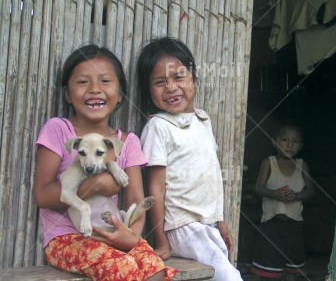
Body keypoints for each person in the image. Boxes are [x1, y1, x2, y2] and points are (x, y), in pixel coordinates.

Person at [34, 44, 178, 281]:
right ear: (68, 94)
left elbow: (135, 199)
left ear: (120, 95)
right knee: (124, 268)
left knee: (155, 267)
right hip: (66, 239)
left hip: (116, 232)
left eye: (105, 81)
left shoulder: (127, 142)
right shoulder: (59, 130)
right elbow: (42, 195)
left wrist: (132, 236)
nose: (94, 89)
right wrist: (96, 185)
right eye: (82, 82)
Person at [138, 37, 243, 281]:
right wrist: (161, 240)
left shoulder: (203, 120)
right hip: (182, 227)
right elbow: (155, 187)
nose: (171, 87)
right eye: (160, 82)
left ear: (194, 79)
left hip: (206, 226)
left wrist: (220, 221)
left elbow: (212, 176)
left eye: (178, 77)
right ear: (148, 90)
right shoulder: (159, 127)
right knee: (229, 277)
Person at [251, 118, 315, 281]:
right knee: (269, 270)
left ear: (300, 145)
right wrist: (275, 194)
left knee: (292, 272)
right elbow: (258, 188)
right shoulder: (269, 163)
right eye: (285, 140)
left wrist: (297, 195)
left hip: (294, 225)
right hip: (271, 225)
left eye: (295, 141)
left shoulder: (302, 166)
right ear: (274, 142)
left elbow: (310, 191)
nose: (289, 145)